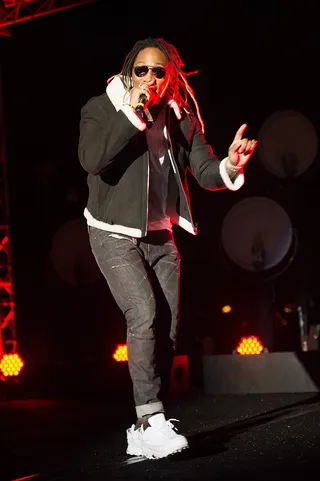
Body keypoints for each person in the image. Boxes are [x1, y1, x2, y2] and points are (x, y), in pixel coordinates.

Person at [78, 36, 257, 459]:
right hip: (111, 231)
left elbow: (206, 170)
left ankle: (144, 425)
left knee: (170, 329)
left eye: (160, 71)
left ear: (171, 76)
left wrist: (230, 165)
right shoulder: (102, 108)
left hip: (160, 233)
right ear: (129, 71)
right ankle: (152, 417)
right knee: (143, 311)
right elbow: (92, 159)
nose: (151, 77)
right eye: (142, 69)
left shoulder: (181, 117)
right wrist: (133, 116)